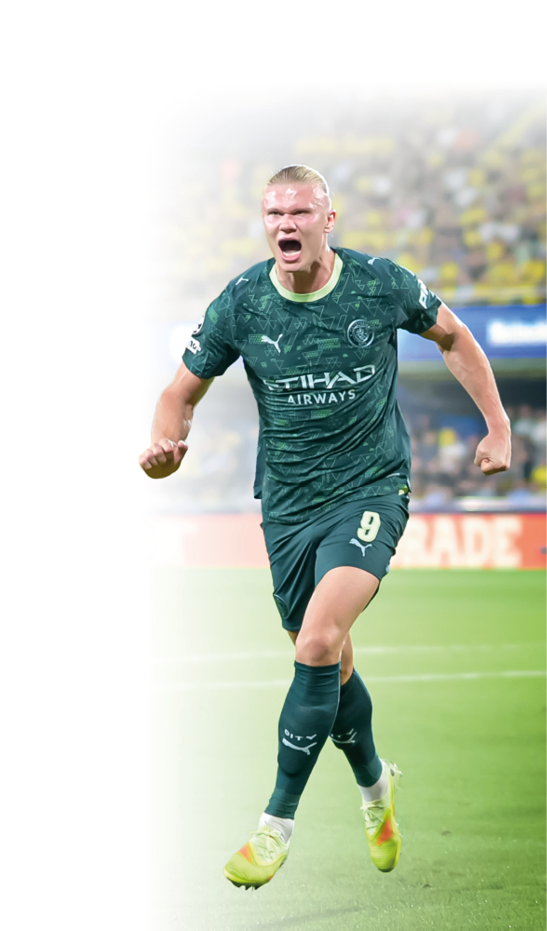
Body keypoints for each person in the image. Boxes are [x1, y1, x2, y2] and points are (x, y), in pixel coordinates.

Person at [139, 165, 511, 889]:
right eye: (274, 211)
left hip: (370, 487)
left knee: (315, 639)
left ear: (327, 219)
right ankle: (376, 787)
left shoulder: (380, 284)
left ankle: (274, 825)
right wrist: (163, 447)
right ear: (265, 221)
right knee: (330, 665)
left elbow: (455, 337)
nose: (287, 222)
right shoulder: (241, 302)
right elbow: (178, 394)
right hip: (285, 505)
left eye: (301, 210)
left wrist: (496, 426)